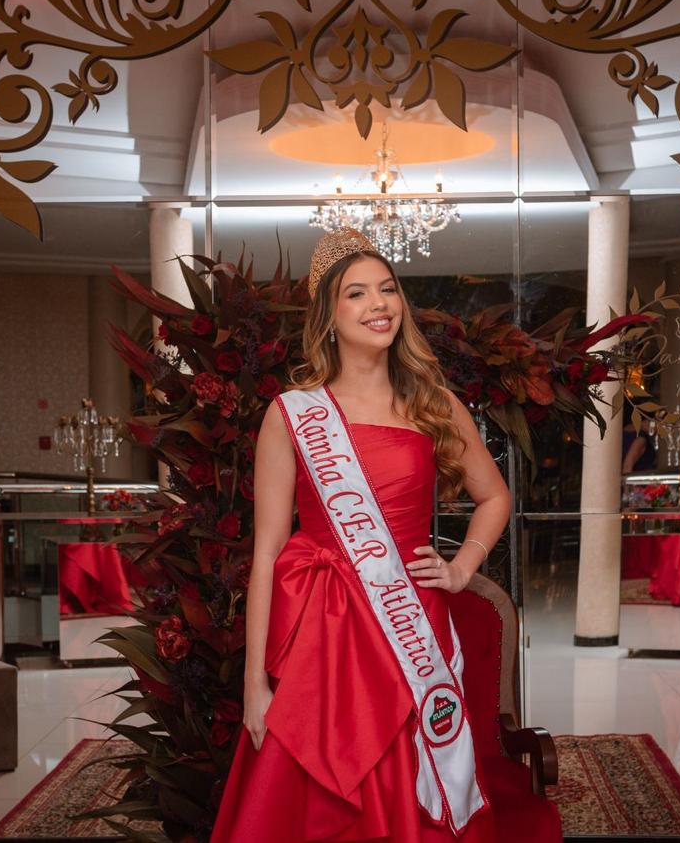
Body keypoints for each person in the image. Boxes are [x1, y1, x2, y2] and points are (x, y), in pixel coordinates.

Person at [211, 230, 560, 842]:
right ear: (328, 316)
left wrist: (462, 566)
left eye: (388, 289)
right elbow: (266, 553)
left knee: (410, 770)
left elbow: (495, 496)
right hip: (321, 631)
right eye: (356, 293)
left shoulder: (434, 404)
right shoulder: (292, 414)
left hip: (410, 619)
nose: (379, 304)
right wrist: (255, 684)